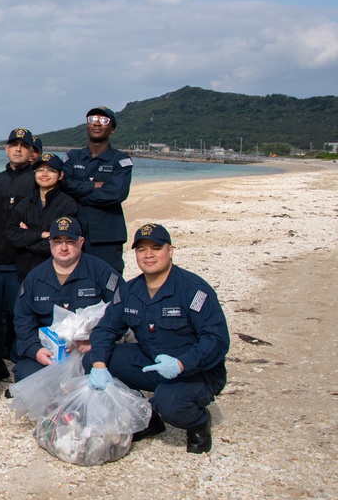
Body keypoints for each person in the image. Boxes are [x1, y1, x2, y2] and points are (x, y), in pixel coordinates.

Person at [87, 223, 230, 454]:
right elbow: (105, 329)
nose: (149, 255)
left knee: (169, 401)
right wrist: (99, 366)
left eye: (156, 247)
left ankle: (198, 423)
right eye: (142, 250)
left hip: (196, 371)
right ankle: (146, 417)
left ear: (170, 251)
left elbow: (217, 340)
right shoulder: (129, 291)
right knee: (93, 359)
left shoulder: (193, 289)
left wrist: (182, 363)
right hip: (152, 361)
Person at [12, 216, 123, 382]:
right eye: (57, 241)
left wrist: (97, 341)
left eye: (70, 241)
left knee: (105, 373)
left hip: (89, 349)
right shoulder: (35, 277)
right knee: (25, 374)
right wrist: (35, 350)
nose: (63, 247)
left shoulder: (100, 271)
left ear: (81, 241)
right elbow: (23, 319)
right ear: (50, 242)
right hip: (50, 351)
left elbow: (121, 308)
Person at [0, 128, 38, 381]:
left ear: (31, 152)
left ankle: (21, 360)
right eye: (13, 145)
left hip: (23, 262)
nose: (18, 149)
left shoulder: (36, 181)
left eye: (23, 146)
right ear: (6, 149)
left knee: (21, 314)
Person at [63, 106, 133, 273]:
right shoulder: (73, 157)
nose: (97, 124)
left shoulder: (120, 160)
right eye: (92, 119)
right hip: (73, 233)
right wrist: (93, 186)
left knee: (110, 284)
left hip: (107, 236)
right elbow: (64, 185)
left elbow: (116, 193)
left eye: (104, 121)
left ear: (112, 129)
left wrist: (79, 195)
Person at [5, 152, 78, 281]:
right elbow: (11, 235)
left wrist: (26, 241)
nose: (44, 174)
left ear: (61, 175)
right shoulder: (25, 203)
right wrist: (40, 235)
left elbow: (61, 243)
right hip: (24, 274)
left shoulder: (68, 204)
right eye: (40, 170)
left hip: (54, 274)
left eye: (51, 170)